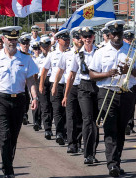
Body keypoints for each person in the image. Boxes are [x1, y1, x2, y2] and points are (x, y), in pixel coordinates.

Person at [0, 26, 39, 178]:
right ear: (3, 39)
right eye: (10, 39)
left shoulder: (26, 58)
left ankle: (7, 164)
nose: (13, 42)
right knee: (5, 136)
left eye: (15, 39)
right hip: (0, 101)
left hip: (19, 101)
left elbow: (30, 81)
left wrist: (34, 97)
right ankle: (8, 172)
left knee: (13, 137)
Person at [89, 20, 136, 177]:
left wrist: (131, 70)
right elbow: (92, 75)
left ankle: (116, 162)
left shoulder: (132, 50)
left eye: (119, 33)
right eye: (113, 34)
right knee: (110, 128)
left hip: (126, 93)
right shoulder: (100, 52)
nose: (116, 36)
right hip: (107, 93)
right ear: (108, 35)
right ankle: (112, 164)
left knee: (120, 130)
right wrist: (108, 74)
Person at [64, 26, 100, 164]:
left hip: (98, 87)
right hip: (84, 88)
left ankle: (93, 151)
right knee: (88, 119)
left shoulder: (100, 52)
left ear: (93, 37)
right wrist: (66, 95)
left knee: (96, 122)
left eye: (89, 36)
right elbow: (71, 75)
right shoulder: (77, 54)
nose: (86, 39)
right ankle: (88, 154)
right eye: (84, 37)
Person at [57, 27, 83, 154]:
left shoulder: (88, 53)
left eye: (81, 37)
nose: (80, 40)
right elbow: (61, 71)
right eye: (78, 38)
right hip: (71, 87)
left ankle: (79, 141)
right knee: (71, 115)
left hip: (84, 87)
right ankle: (72, 143)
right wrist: (56, 86)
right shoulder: (66, 54)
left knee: (82, 117)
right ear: (73, 40)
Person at [39, 31, 69, 140]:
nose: (67, 42)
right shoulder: (52, 54)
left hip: (68, 85)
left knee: (67, 111)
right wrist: (41, 85)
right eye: (64, 40)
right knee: (57, 110)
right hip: (56, 85)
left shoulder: (72, 53)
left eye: (68, 39)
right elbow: (44, 70)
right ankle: (59, 132)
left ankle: (65, 132)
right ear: (58, 41)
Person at [123, 29, 136, 134]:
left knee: (132, 104)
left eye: (131, 39)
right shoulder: (122, 51)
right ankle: (125, 124)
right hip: (122, 82)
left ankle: (129, 124)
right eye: (127, 39)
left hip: (134, 81)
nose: (129, 41)